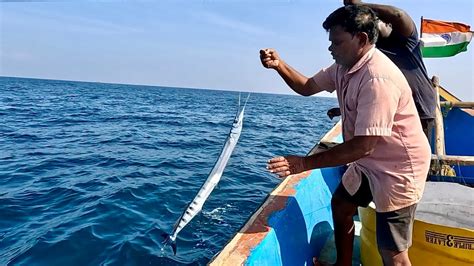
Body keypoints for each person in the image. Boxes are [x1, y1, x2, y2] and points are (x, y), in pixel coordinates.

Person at [261, 5, 431, 266]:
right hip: (368, 163)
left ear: (361, 40)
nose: (331, 48)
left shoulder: (378, 78)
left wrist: (303, 163)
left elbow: (363, 146)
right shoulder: (343, 65)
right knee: (341, 206)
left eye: (337, 42)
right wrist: (279, 65)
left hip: (398, 168)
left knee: (394, 253)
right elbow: (307, 87)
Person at [330, 0, 437, 139]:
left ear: (389, 24)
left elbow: (398, 14)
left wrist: (359, 5)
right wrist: (344, 110)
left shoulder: (406, 40)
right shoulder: (372, 51)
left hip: (420, 108)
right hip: (394, 108)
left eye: (378, 20)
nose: (374, 24)